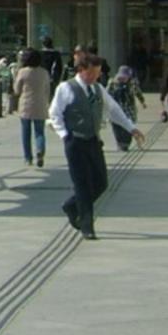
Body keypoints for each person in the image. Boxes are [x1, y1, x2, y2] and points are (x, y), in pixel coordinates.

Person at [48, 53, 145, 240]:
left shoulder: (98, 89)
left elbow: (114, 110)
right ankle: (87, 226)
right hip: (75, 141)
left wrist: (131, 128)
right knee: (82, 185)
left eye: (98, 73)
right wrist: (64, 134)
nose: (95, 77)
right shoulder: (66, 88)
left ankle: (71, 205)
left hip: (93, 140)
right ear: (81, 70)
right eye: (91, 73)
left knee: (101, 182)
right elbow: (54, 113)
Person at [12, 48, 51, 167]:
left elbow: (16, 90)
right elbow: (47, 90)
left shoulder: (23, 72)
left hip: (26, 105)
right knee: (40, 132)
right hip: (40, 104)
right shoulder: (44, 72)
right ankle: (40, 150)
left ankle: (28, 158)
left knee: (26, 133)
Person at [107, 65, 147, 151]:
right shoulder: (112, 82)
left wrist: (142, 101)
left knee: (128, 127)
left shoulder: (133, 83)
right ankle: (120, 143)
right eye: (121, 77)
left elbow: (138, 92)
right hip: (115, 109)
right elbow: (107, 94)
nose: (123, 79)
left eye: (125, 77)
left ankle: (125, 143)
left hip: (129, 110)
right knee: (117, 127)